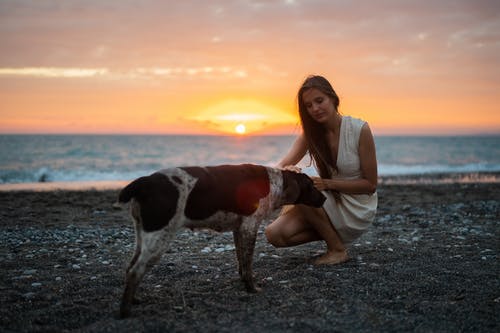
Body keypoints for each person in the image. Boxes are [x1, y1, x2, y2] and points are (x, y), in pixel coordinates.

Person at [265, 75, 378, 265]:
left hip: (357, 208)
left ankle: (337, 249)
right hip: (330, 202)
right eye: (308, 106)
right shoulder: (311, 134)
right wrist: (288, 170)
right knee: (275, 235)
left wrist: (327, 184)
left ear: (333, 98)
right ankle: (331, 233)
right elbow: (279, 167)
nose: (315, 109)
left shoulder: (360, 130)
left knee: (299, 186)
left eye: (319, 101)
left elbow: (370, 185)